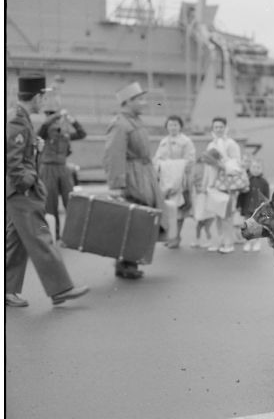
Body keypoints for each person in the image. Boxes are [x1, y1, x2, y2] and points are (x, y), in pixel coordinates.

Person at [5, 74, 90, 307]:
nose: (44, 101)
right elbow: (12, 161)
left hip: (15, 191)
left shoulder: (19, 117)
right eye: (43, 96)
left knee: (15, 240)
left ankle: (7, 290)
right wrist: (29, 180)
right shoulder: (17, 120)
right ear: (36, 96)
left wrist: (36, 148)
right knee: (42, 236)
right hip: (21, 191)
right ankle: (61, 289)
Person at [103, 82, 166, 279]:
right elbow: (113, 156)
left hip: (143, 174)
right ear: (127, 102)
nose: (144, 103)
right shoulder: (120, 124)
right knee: (134, 219)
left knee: (141, 219)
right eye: (139, 99)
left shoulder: (134, 121)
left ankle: (129, 261)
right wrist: (116, 185)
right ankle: (125, 263)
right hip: (133, 177)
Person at [37, 96, 87, 240]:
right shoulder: (44, 132)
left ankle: (74, 233)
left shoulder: (63, 133)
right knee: (50, 203)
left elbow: (82, 134)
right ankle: (53, 233)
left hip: (63, 168)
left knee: (70, 201)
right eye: (50, 114)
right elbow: (44, 126)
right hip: (48, 169)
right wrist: (58, 114)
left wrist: (72, 120)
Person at [153, 115, 196, 249]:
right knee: (168, 209)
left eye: (175, 125)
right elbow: (157, 159)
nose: (173, 127)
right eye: (170, 125)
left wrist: (175, 167)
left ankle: (176, 237)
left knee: (179, 210)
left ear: (180, 126)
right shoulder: (163, 142)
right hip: (166, 181)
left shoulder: (186, 142)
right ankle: (170, 235)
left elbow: (190, 160)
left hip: (180, 180)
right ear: (167, 126)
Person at [201, 116, 243, 254]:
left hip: (228, 185)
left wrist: (221, 163)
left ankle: (228, 242)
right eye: (216, 127)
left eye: (221, 127)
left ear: (226, 128)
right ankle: (219, 240)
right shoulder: (211, 145)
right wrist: (206, 184)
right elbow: (207, 168)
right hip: (215, 184)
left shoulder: (231, 144)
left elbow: (236, 164)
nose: (218, 129)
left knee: (227, 215)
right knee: (217, 214)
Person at [237, 158, 270, 252]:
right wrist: (239, 205)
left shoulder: (264, 182)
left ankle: (256, 242)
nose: (256, 169)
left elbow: (266, 197)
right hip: (247, 207)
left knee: (257, 226)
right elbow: (241, 194)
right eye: (254, 167)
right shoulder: (246, 180)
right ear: (250, 168)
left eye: (258, 167)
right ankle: (247, 242)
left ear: (262, 169)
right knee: (246, 225)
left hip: (258, 209)